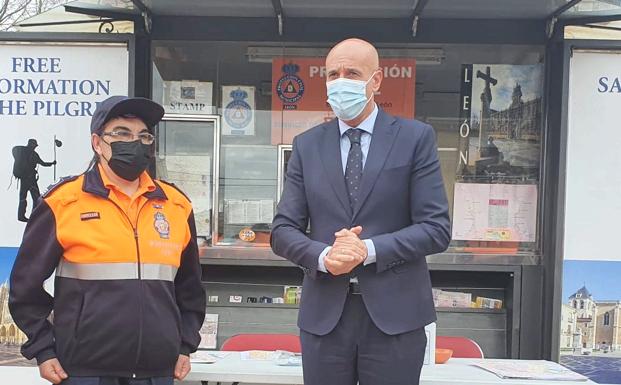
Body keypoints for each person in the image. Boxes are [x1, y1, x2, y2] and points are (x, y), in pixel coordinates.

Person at [271, 38, 451, 385]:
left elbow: (435, 227)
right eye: (332, 74)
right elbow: (283, 230)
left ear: (376, 81)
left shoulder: (415, 138)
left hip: (395, 318)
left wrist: (366, 250)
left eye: (352, 73)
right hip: (325, 317)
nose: (340, 81)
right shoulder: (308, 145)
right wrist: (325, 255)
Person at [9, 96, 206, 385]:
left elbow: (190, 288)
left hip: (157, 371)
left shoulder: (176, 205)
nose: (134, 142)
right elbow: (24, 288)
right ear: (97, 142)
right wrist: (43, 348)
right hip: (83, 371)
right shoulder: (63, 202)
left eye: (144, 136)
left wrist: (185, 345)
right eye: (121, 133)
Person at [13, 138, 56, 222]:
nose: (34, 147)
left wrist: (51, 163)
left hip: (29, 178)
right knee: (27, 197)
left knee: (34, 198)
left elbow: (43, 163)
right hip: (27, 178)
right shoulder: (22, 151)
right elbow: (14, 150)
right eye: (34, 145)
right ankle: (23, 216)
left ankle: (33, 215)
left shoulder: (33, 154)